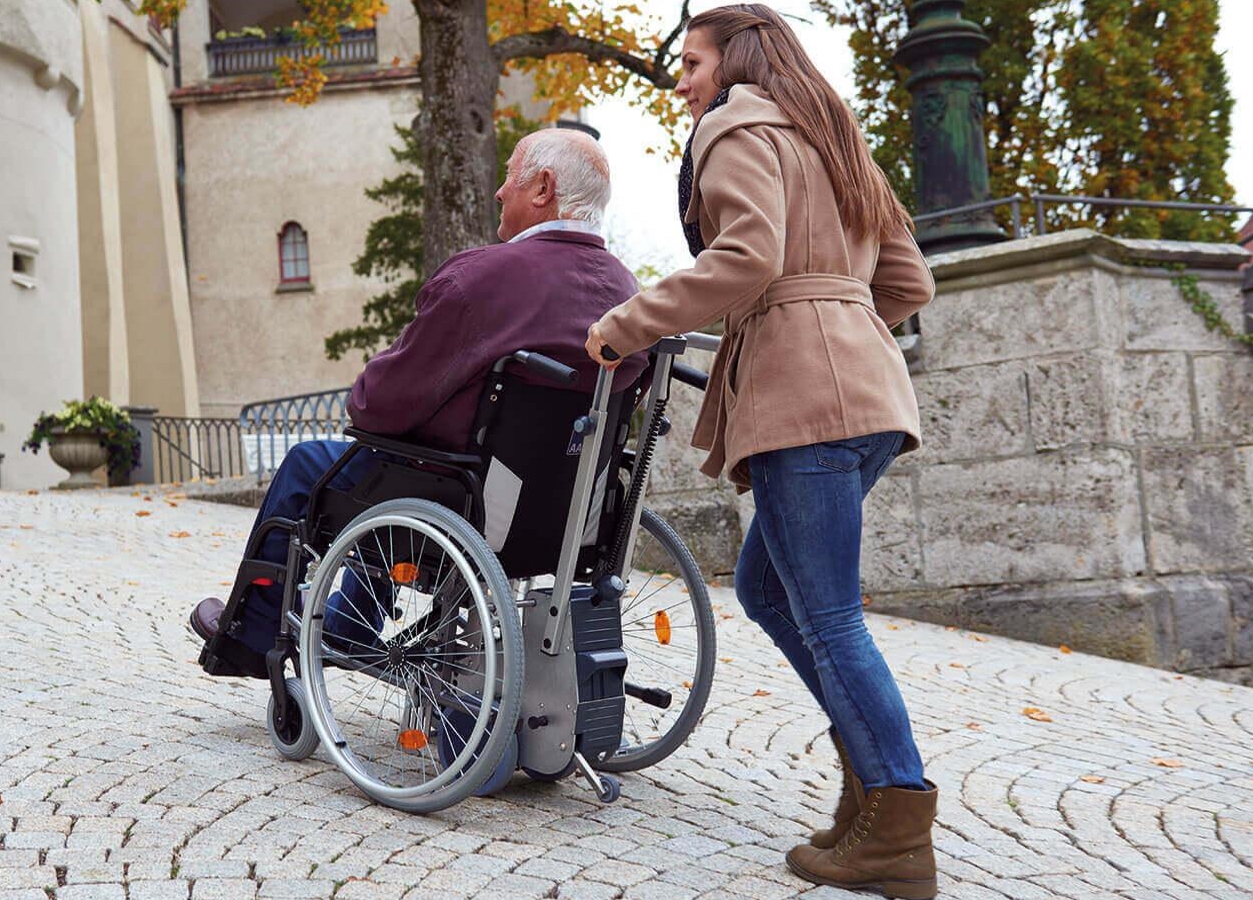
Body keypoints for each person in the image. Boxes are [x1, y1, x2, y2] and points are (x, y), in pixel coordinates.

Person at [585, 5, 939, 898]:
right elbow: (908, 280)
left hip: (805, 400)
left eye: (692, 61)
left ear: (735, 60)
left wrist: (623, 328)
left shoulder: (733, 126)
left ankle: (895, 829)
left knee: (826, 615)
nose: (684, 81)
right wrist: (842, 326)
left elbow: (745, 258)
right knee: (765, 588)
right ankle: (869, 783)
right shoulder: (837, 137)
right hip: (869, 395)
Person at [191, 127, 648, 672]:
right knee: (396, 469)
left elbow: (378, 404)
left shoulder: (483, 278)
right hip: (571, 518)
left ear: (543, 187)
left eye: (509, 176)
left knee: (323, 466)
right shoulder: (630, 295)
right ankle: (345, 626)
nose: (500, 192)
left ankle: (250, 635)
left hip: (466, 504)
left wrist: (373, 396)